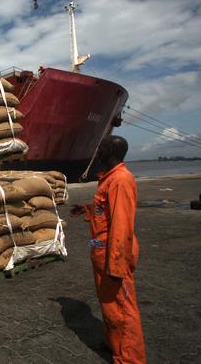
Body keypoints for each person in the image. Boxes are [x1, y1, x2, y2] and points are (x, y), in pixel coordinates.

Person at [71, 135, 146, 363]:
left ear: (110, 153)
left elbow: (122, 224)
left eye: (100, 149)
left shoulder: (120, 180)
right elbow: (106, 210)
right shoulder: (109, 179)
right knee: (109, 305)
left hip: (113, 256)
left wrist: (116, 264)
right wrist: (86, 210)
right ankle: (114, 342)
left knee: (122, 309)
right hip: (99, 249)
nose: (97, 153)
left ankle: (130, 358)